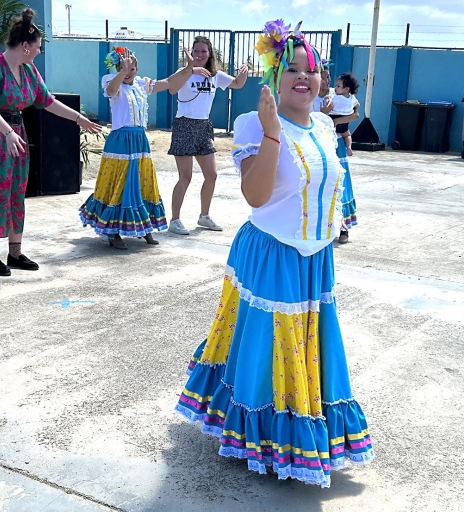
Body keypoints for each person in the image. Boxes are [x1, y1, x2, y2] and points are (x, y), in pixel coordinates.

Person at [175, 20, 374, 487]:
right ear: (275, 75)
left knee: (303, 344)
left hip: (315, 259)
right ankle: (261, 435)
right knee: (267, 345)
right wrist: (270, 132)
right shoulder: (253, 123)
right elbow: (256, 196)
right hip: (272, 252)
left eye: (312, 70)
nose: (302, 78)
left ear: (323, 78)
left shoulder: (325, 126)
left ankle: (303, 425)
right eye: (291, 70)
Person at [0, 8, 101, 276]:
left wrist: (78, 119)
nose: (39, 51)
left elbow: (47, 101)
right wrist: (6, 133)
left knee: (17, 188)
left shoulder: (28, 71)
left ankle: (15, 252)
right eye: (38, 46)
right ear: (26, 46)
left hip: (16, 131)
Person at [80, 47, 198, 249]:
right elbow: (110, 92)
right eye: (125, 67)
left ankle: (144, 228)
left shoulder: (142, 84)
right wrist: (121, 72)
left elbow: (169, 83)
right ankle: (112, 230)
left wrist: (189, 68)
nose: (129, 72)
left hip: (139, 140)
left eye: (132, 68)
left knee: (142, 182)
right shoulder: (110, 80)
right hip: (120, 141)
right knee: (119, 183)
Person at [166, 36, 249, 235]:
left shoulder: (215, 75)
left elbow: (237, 84)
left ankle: (204, 216)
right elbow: (171, 88)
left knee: (211, 175)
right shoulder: (183, 72)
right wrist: (190, 70)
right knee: (185, 176)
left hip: (204, 127)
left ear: (210, 53)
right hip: (184, 125)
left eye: (204, 51)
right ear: (191, 53)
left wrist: (244, 72)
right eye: (196, 51)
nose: (200, 55)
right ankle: (175, 220)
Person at [329, 73, 360, 244]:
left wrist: (340, 120)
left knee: (341, 185)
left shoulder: (337, 100)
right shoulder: (323, 99)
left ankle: (343, 227)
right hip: (325, 141)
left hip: (338, 144)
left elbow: (355, 114)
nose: (331, 85)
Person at [331, 73, 360, 158]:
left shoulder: (336, 98)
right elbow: (358, 105)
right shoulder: (352, 98)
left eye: (338, 86)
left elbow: (329, 103)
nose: (335, 88)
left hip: (334, 118)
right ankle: (349, 147)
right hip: (345, 121)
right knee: (347, 135)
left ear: (346, 89)